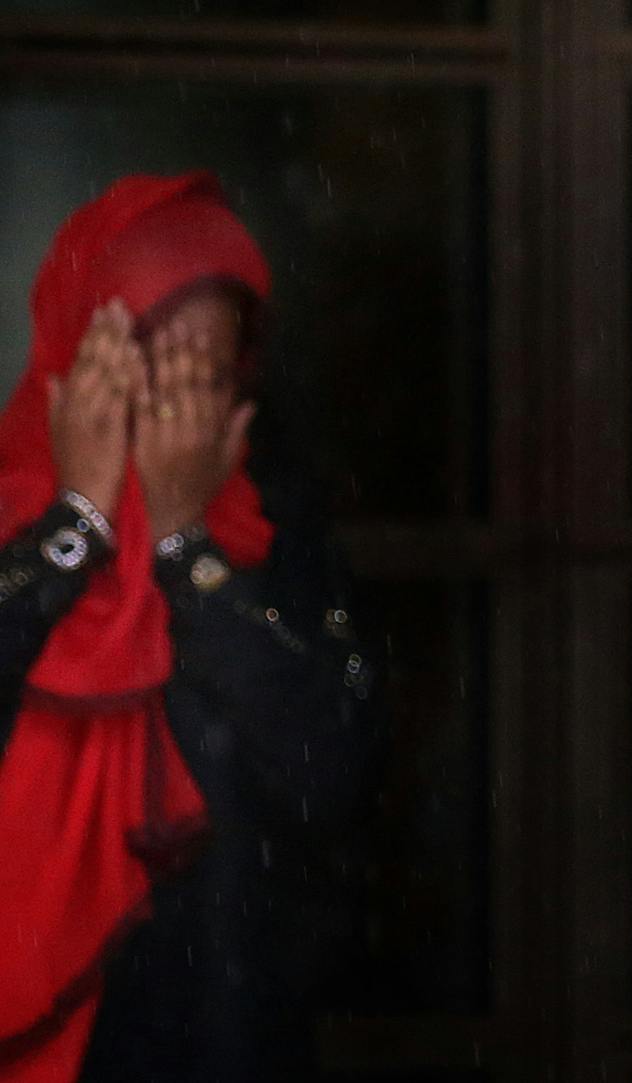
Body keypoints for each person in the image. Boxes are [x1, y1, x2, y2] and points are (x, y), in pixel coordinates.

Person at [0, 173, 380, 1082]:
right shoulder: (12, 523)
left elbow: (331, 763)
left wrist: (184, 547)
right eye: (143, 365)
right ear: (76, 355)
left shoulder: (276, 536)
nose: (172, 409)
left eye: (202, 375)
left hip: (227, 1026)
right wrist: (78, 524)